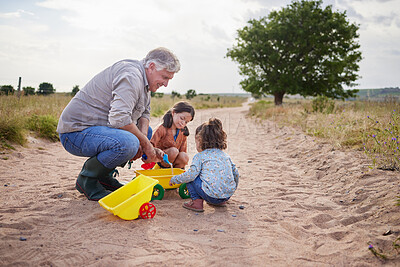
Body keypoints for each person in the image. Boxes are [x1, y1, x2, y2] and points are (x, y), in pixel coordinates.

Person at [57, 47, 180, 201]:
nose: (166, 84)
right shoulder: (131, 76)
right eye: (165, 77)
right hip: (75, 133)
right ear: (152, 67)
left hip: (99, 130)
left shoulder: (146, 83)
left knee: (145, 132)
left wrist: (146, 143)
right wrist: (146, 146)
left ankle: (104, 177)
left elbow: (144, 114)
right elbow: (119, 119)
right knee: (129, 143)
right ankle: (87, 179)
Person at [169, 118, 239, 212]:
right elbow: (236, 173)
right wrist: (231, 188)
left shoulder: (200, 156)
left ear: (200, 140)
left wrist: (175, 179)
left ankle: (197, 202)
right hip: (227, 195)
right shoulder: (225, 155)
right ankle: (220, 202)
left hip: (211, 195)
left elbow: (190, 175)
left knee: (191, 176)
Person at [150, 101, 195, 169]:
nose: (183, 123)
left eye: (186, 122)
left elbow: (183, 151)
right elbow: (150, 145)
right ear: (173, 113)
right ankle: (162, 170)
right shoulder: (161, 128)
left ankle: (176, 175)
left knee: (184, 156)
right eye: (182, 118)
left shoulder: (183, 132)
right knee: (173, 151)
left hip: (173, 163)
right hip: (159, 161)